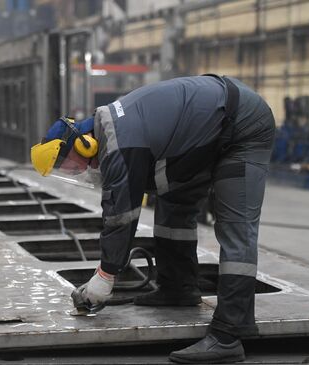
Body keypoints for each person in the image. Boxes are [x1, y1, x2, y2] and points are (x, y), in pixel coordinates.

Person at [30, 75, 275, 364]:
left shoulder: (119, 141)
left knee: (236, 228)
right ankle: (178, 288)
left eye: (70, 164)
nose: (75, 171)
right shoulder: (114, 129)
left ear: (84, 144)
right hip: (207, 132)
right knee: (173, 202)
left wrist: (105, 276)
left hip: (242, 127)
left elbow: (121, 215)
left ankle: (229, 335)